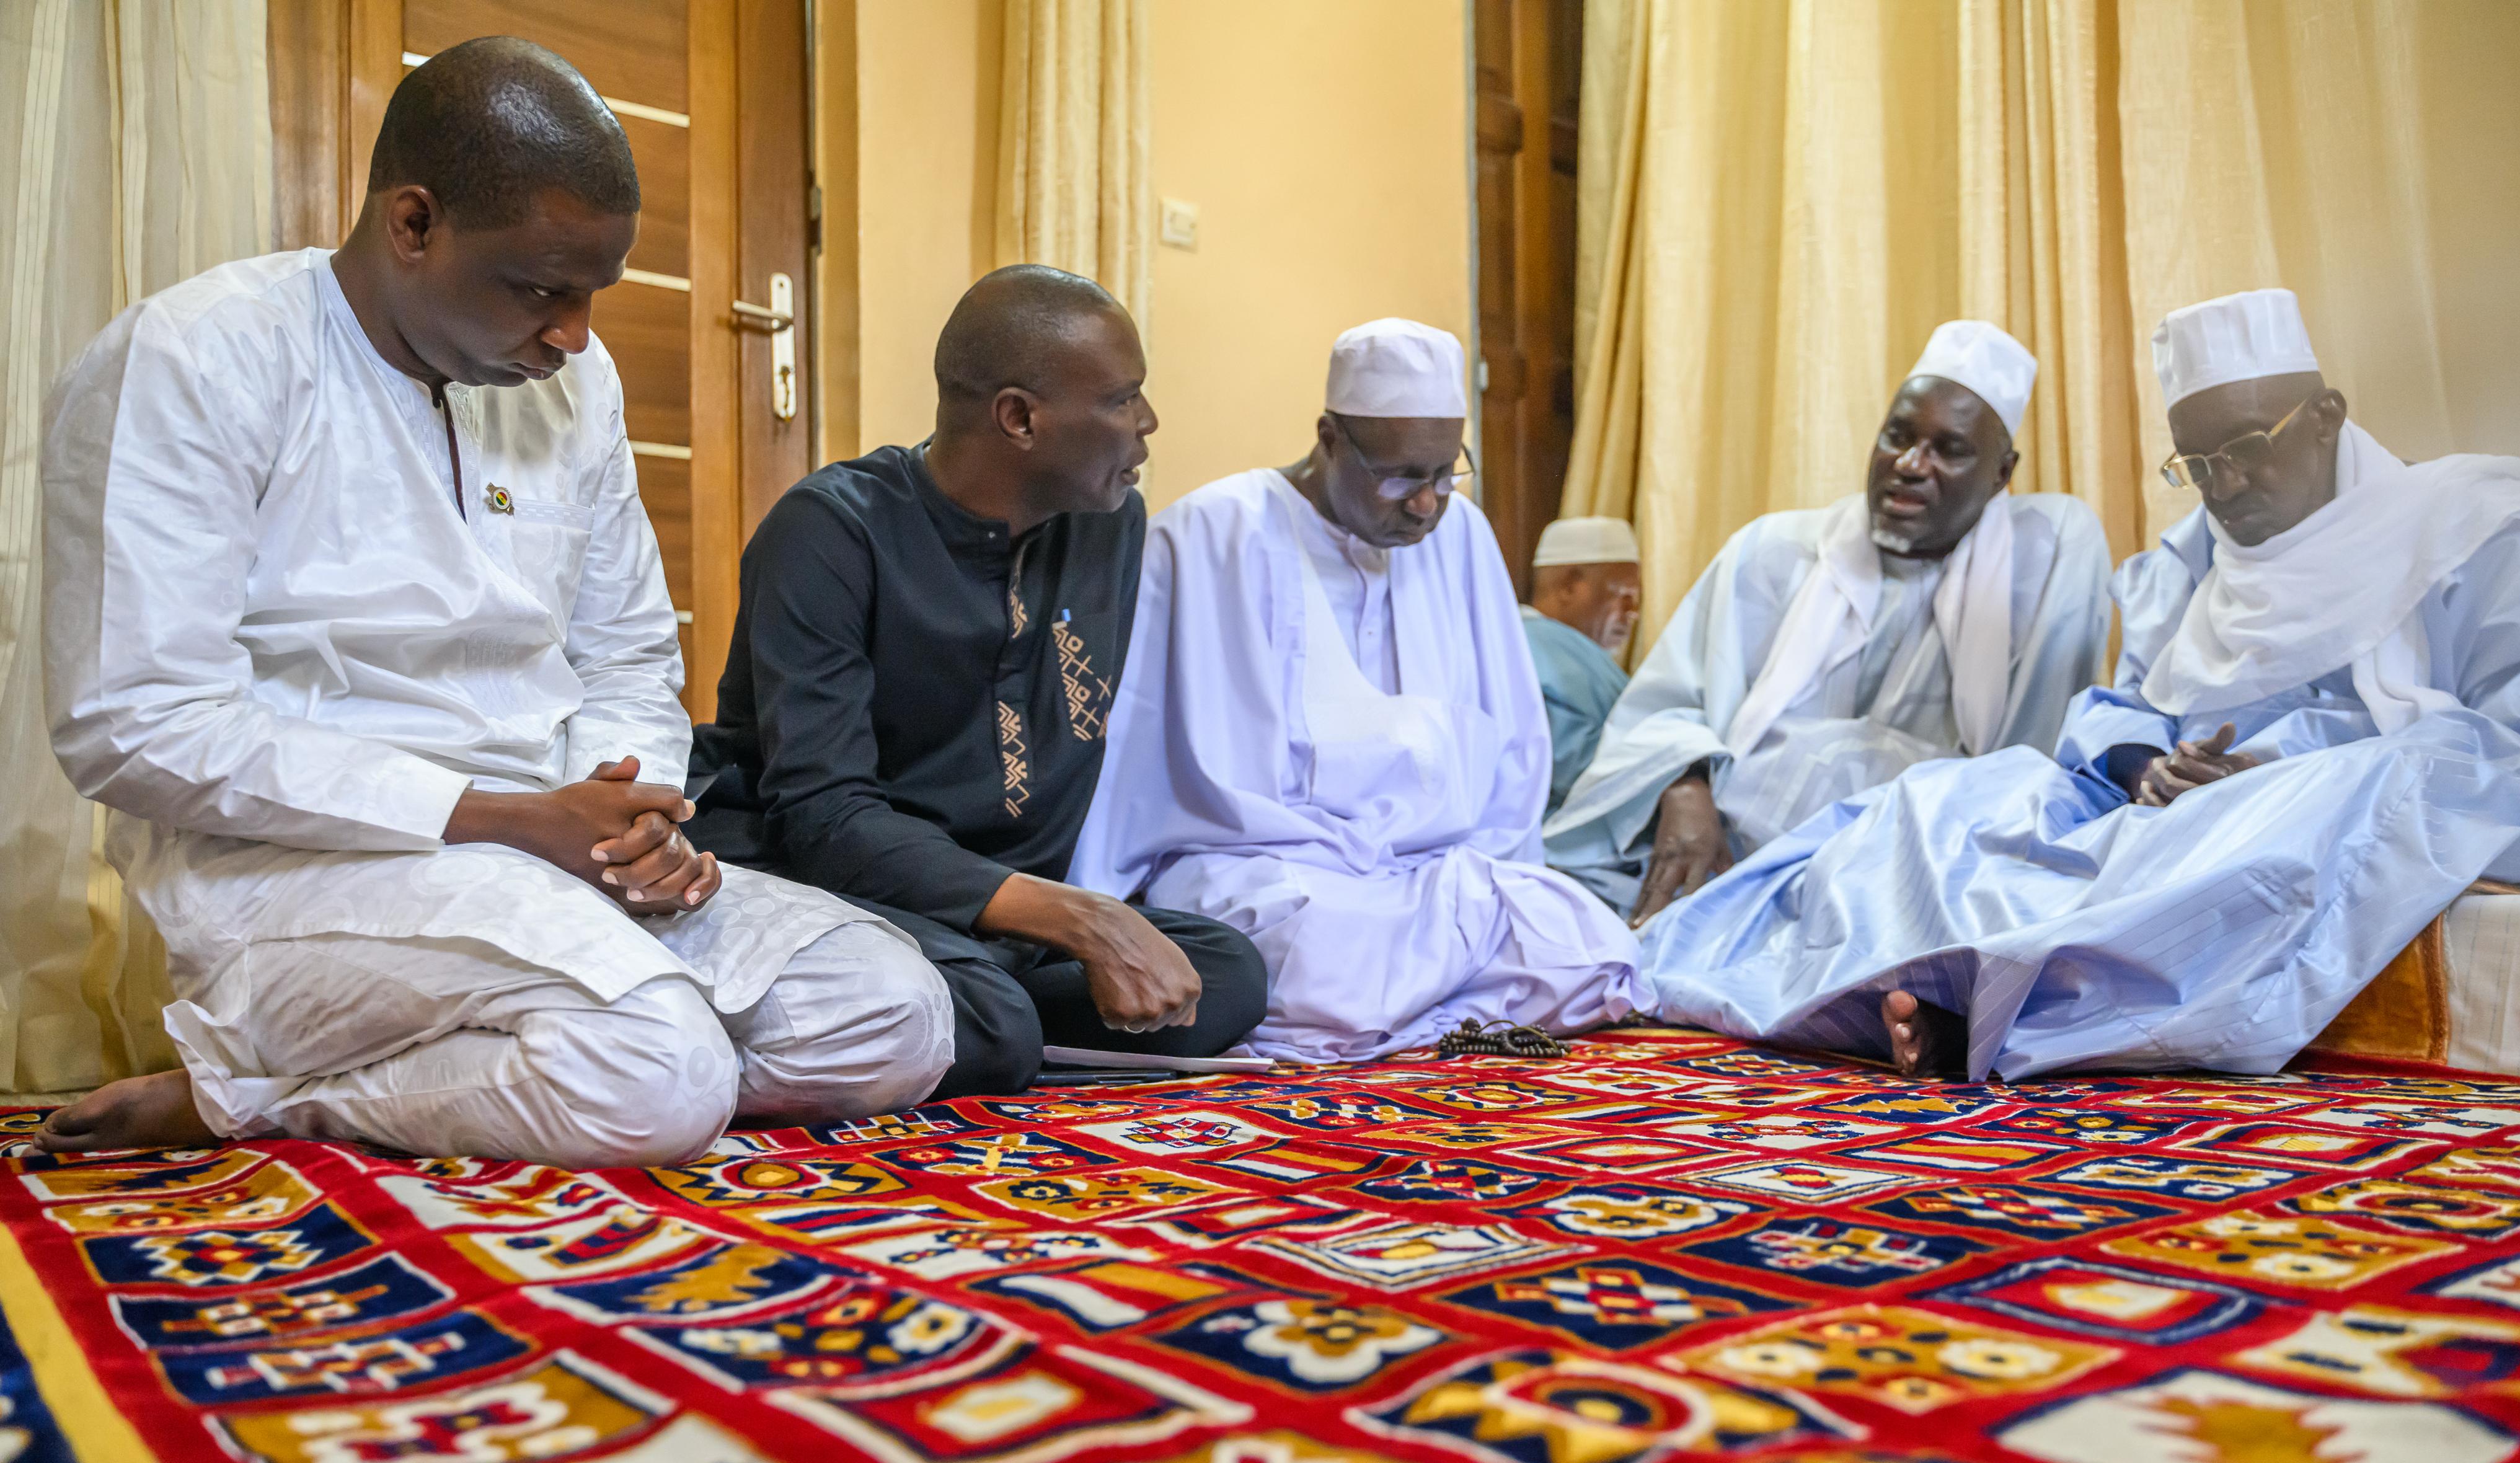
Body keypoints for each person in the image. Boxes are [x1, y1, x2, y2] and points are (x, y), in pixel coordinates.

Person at [38, 38, 951, 1166]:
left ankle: (399, 1067)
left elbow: (624, 655)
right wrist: (496, 815)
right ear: (413, 224)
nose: (572, 335)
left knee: (896, 1016)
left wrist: (635, 814)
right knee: (656, 1073)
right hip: (296, 877)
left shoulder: (577, 384)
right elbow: (136, 723)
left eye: (592, 295)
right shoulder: (192, 360)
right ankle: (263, 1087)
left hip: (557, 852)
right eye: (542, 290)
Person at [1640, 288, 2520, 1081]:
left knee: (2331, 799)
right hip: (2180, 807)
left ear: (2328, 417)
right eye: (2197, 463)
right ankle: (1915, 982)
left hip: (2362, 786)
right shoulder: (2193, 559)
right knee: (1955, 794)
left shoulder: (2475, 521)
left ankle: (2021, 1017)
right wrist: (2147, 770)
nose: (2225, 483)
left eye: (2247, 446)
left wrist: (2289, 760)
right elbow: (2118, 715)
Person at [688, 267, 1266, 1095]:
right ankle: (946, 1012)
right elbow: (824, 816)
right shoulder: (831, 532)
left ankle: (974, 1012)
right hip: (827, 881)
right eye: (1121, 400)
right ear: (1020, 419)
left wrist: (1076, 924)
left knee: (1226, 974)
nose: (1148, 423)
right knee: (997, 1021)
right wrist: (1078, 919)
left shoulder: (1108, 526)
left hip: (991, 914)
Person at [1068, 319, 1655, 1062]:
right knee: (1323, 968)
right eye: (1402, 475)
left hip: (1435, 873)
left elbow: (1509, 738)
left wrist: (1506, 879)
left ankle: (1408, 1010)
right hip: (1276, 871)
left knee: (1593, 950)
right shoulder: (1212, 534)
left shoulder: (1460, 534)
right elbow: (1136, 759)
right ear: (1329, 437)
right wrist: (1098, 919)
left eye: (1446, 473)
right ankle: (1422, 1004)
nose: (1425, 504)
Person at [1547, 322, 2112, 921]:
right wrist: (1685, 784)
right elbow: (1661, 708)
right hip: (1727, 857)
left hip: (1904, 881)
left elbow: (2030, 774)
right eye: (1898, 437)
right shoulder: (1772, 553)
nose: (1910, 465)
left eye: (1948, 450)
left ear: (2002, 475)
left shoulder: (2035, 566)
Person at [1521, 515, 1642, 813]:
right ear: (1569, 586)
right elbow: (1575, 763)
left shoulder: (1574, 651)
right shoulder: (1530, 648)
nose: (1633, 612)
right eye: (1624, 595)